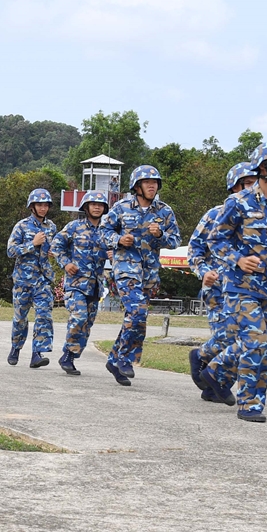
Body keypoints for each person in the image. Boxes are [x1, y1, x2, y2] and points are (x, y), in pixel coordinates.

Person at [202, 143, 267, 422]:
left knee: (259, 345)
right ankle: (249, 405)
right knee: (255, 342)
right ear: (262, 167)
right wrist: (238, 260)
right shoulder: (239, 201)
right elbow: (215, 240)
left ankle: (216, 371)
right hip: (239, 287)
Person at [101, 165, 180, 386]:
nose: (152, 186)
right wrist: (118, 240)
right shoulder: (121, 207)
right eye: (147, 182)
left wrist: (161, 234)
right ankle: (125, 359)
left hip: (149, 274)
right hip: (126, 270)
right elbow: (103, 232)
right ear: (137, 186)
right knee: (137, 312)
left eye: (155, 182)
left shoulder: (164, 211)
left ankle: (113, 361)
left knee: (137, 318)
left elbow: (175, 240)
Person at [187, 161, 258, 402]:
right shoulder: (215, 215)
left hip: (248, 289)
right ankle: (201, 357)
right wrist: (204, 271)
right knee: (228, 337)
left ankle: (213, 386)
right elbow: (194, 249)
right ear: (234, 187)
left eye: (256, 183)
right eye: (248, 183)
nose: (253, 188)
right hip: (218, 288)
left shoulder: (261, 217)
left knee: (247, 339)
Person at [50, 189, 113, 376]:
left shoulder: (107, 231)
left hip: (95, 286)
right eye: (93, 204)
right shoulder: (74, 227)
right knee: (79, 316)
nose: (97, 207)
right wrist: (66, 263)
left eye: (100, 205)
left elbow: (117, 249)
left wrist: (114, 254)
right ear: (86, 207)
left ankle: (71, 356)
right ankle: (67, 354)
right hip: (76, 284)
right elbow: (56, 245)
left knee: (87, 325)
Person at [6, 188, 58, 368]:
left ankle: (37, 353)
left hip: (43, 279)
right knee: (20, 318)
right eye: (39, 205)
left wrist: (52, 251)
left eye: (46, 205)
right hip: (23, 280)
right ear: (32, 206)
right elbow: (11, 251)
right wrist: (32, 244)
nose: (43, 208)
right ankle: (16, 347)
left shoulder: (51, 227)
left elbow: (53, 247)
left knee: (44, 315)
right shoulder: (21, 226)